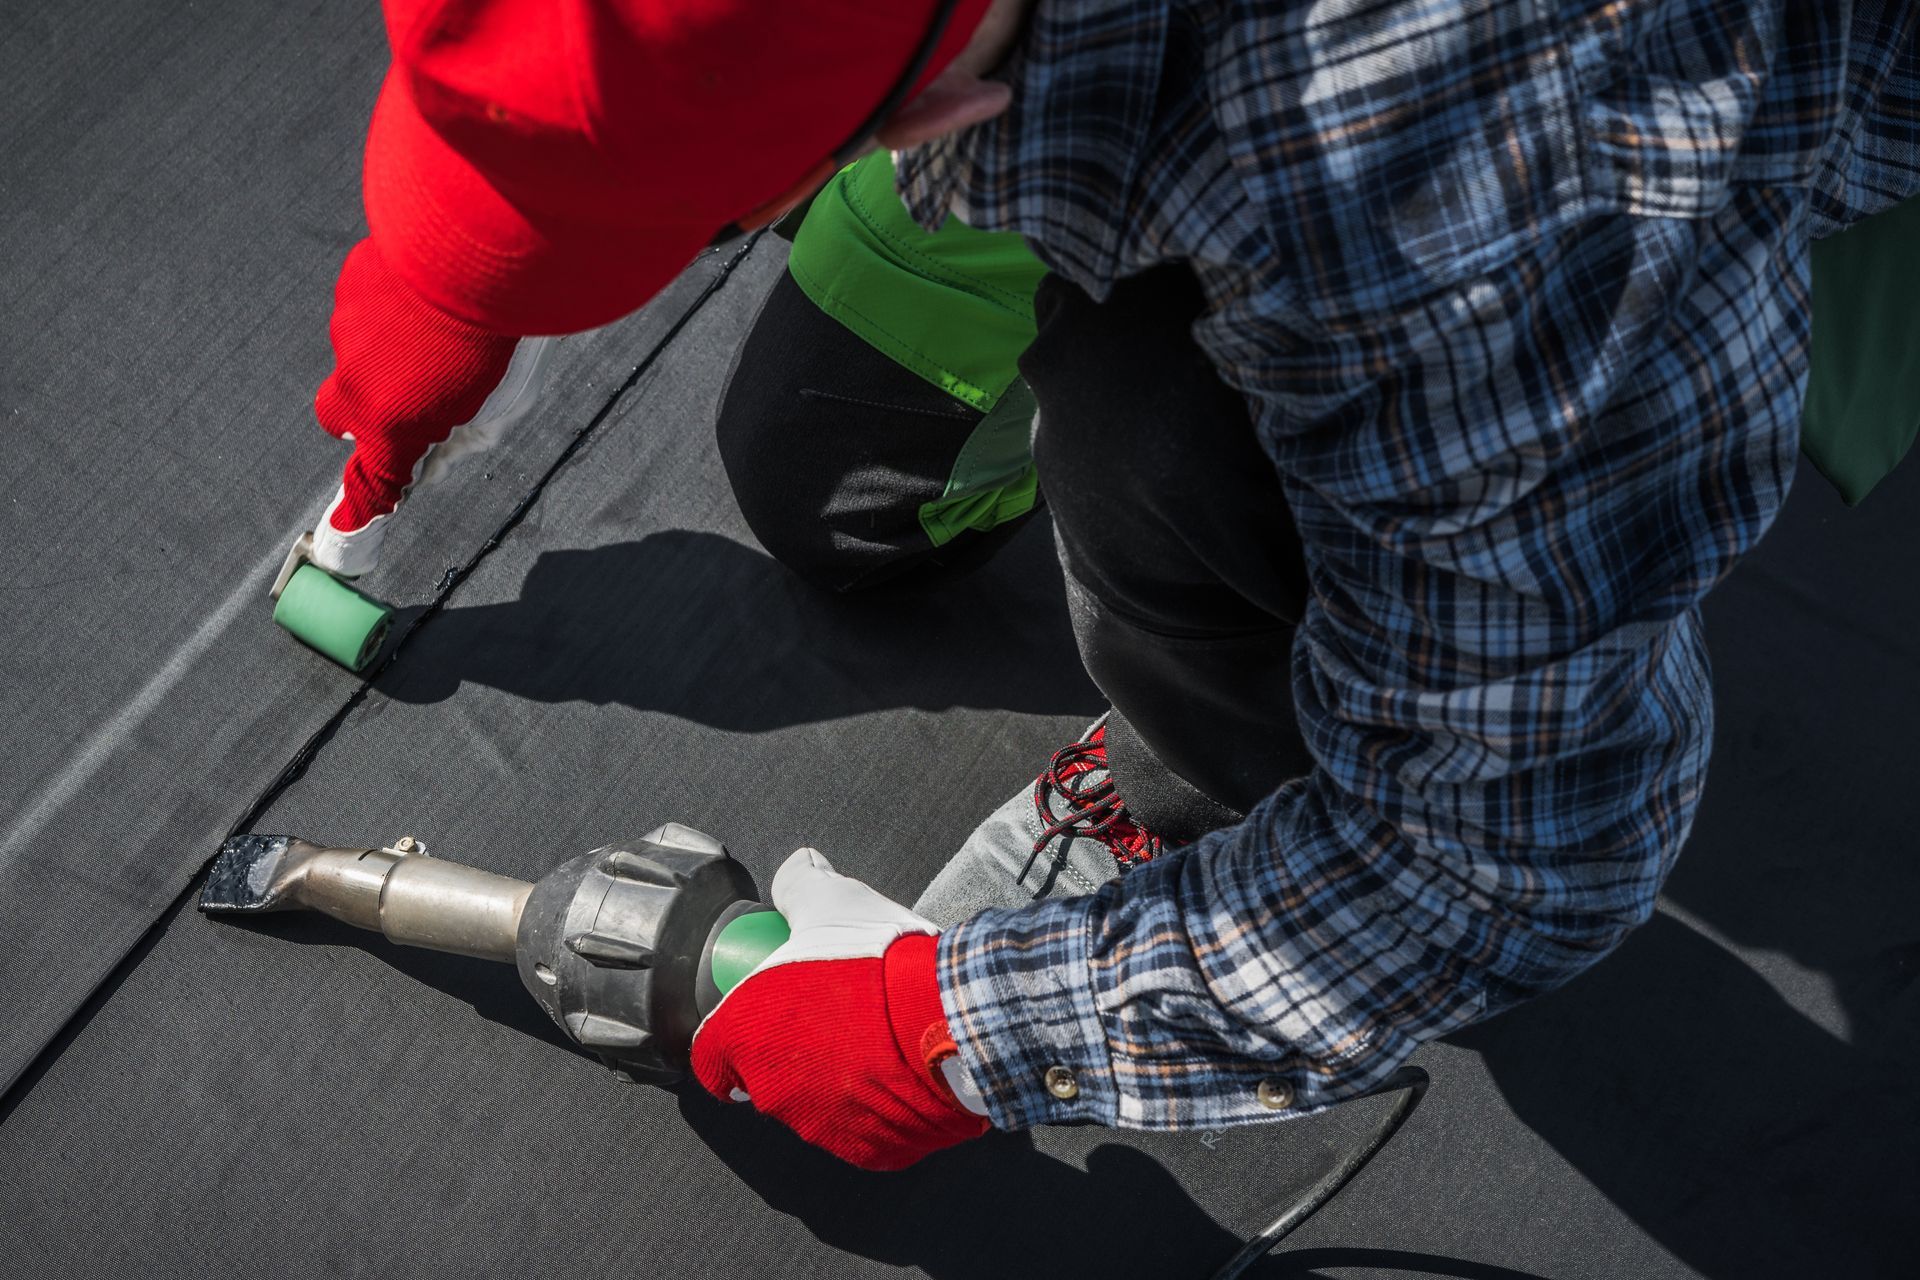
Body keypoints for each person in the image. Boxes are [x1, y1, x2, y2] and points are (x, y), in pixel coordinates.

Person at [307, 0, 1919, 1171]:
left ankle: (1209, 788)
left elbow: (1506, 859)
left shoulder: (1464, 227)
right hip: (1115, 62)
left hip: (1624, 138)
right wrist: (456, 266)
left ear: (930, 111)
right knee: (829, 465)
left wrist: (961, 1036)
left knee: (1160, 409)